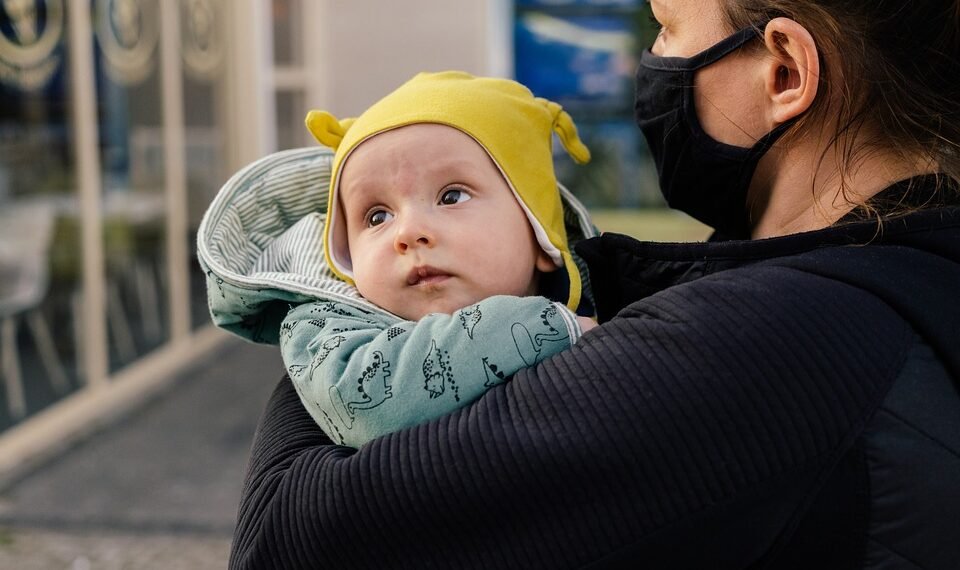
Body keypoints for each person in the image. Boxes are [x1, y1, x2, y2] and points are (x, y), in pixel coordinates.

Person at [228, 0, 960, 568]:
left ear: (783, 73)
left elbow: (287, 538)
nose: (652, 59)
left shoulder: (775, 345)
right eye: (376, 217)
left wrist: (327, 302)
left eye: (667, 27)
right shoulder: (879, 268)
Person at [199, 71, 598, 448]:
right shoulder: (324, 328)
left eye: (451, 196)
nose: (408, 233)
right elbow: (363, 401)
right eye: (377, 216)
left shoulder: (614, 299)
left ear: (540, 237)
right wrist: (547, 327)